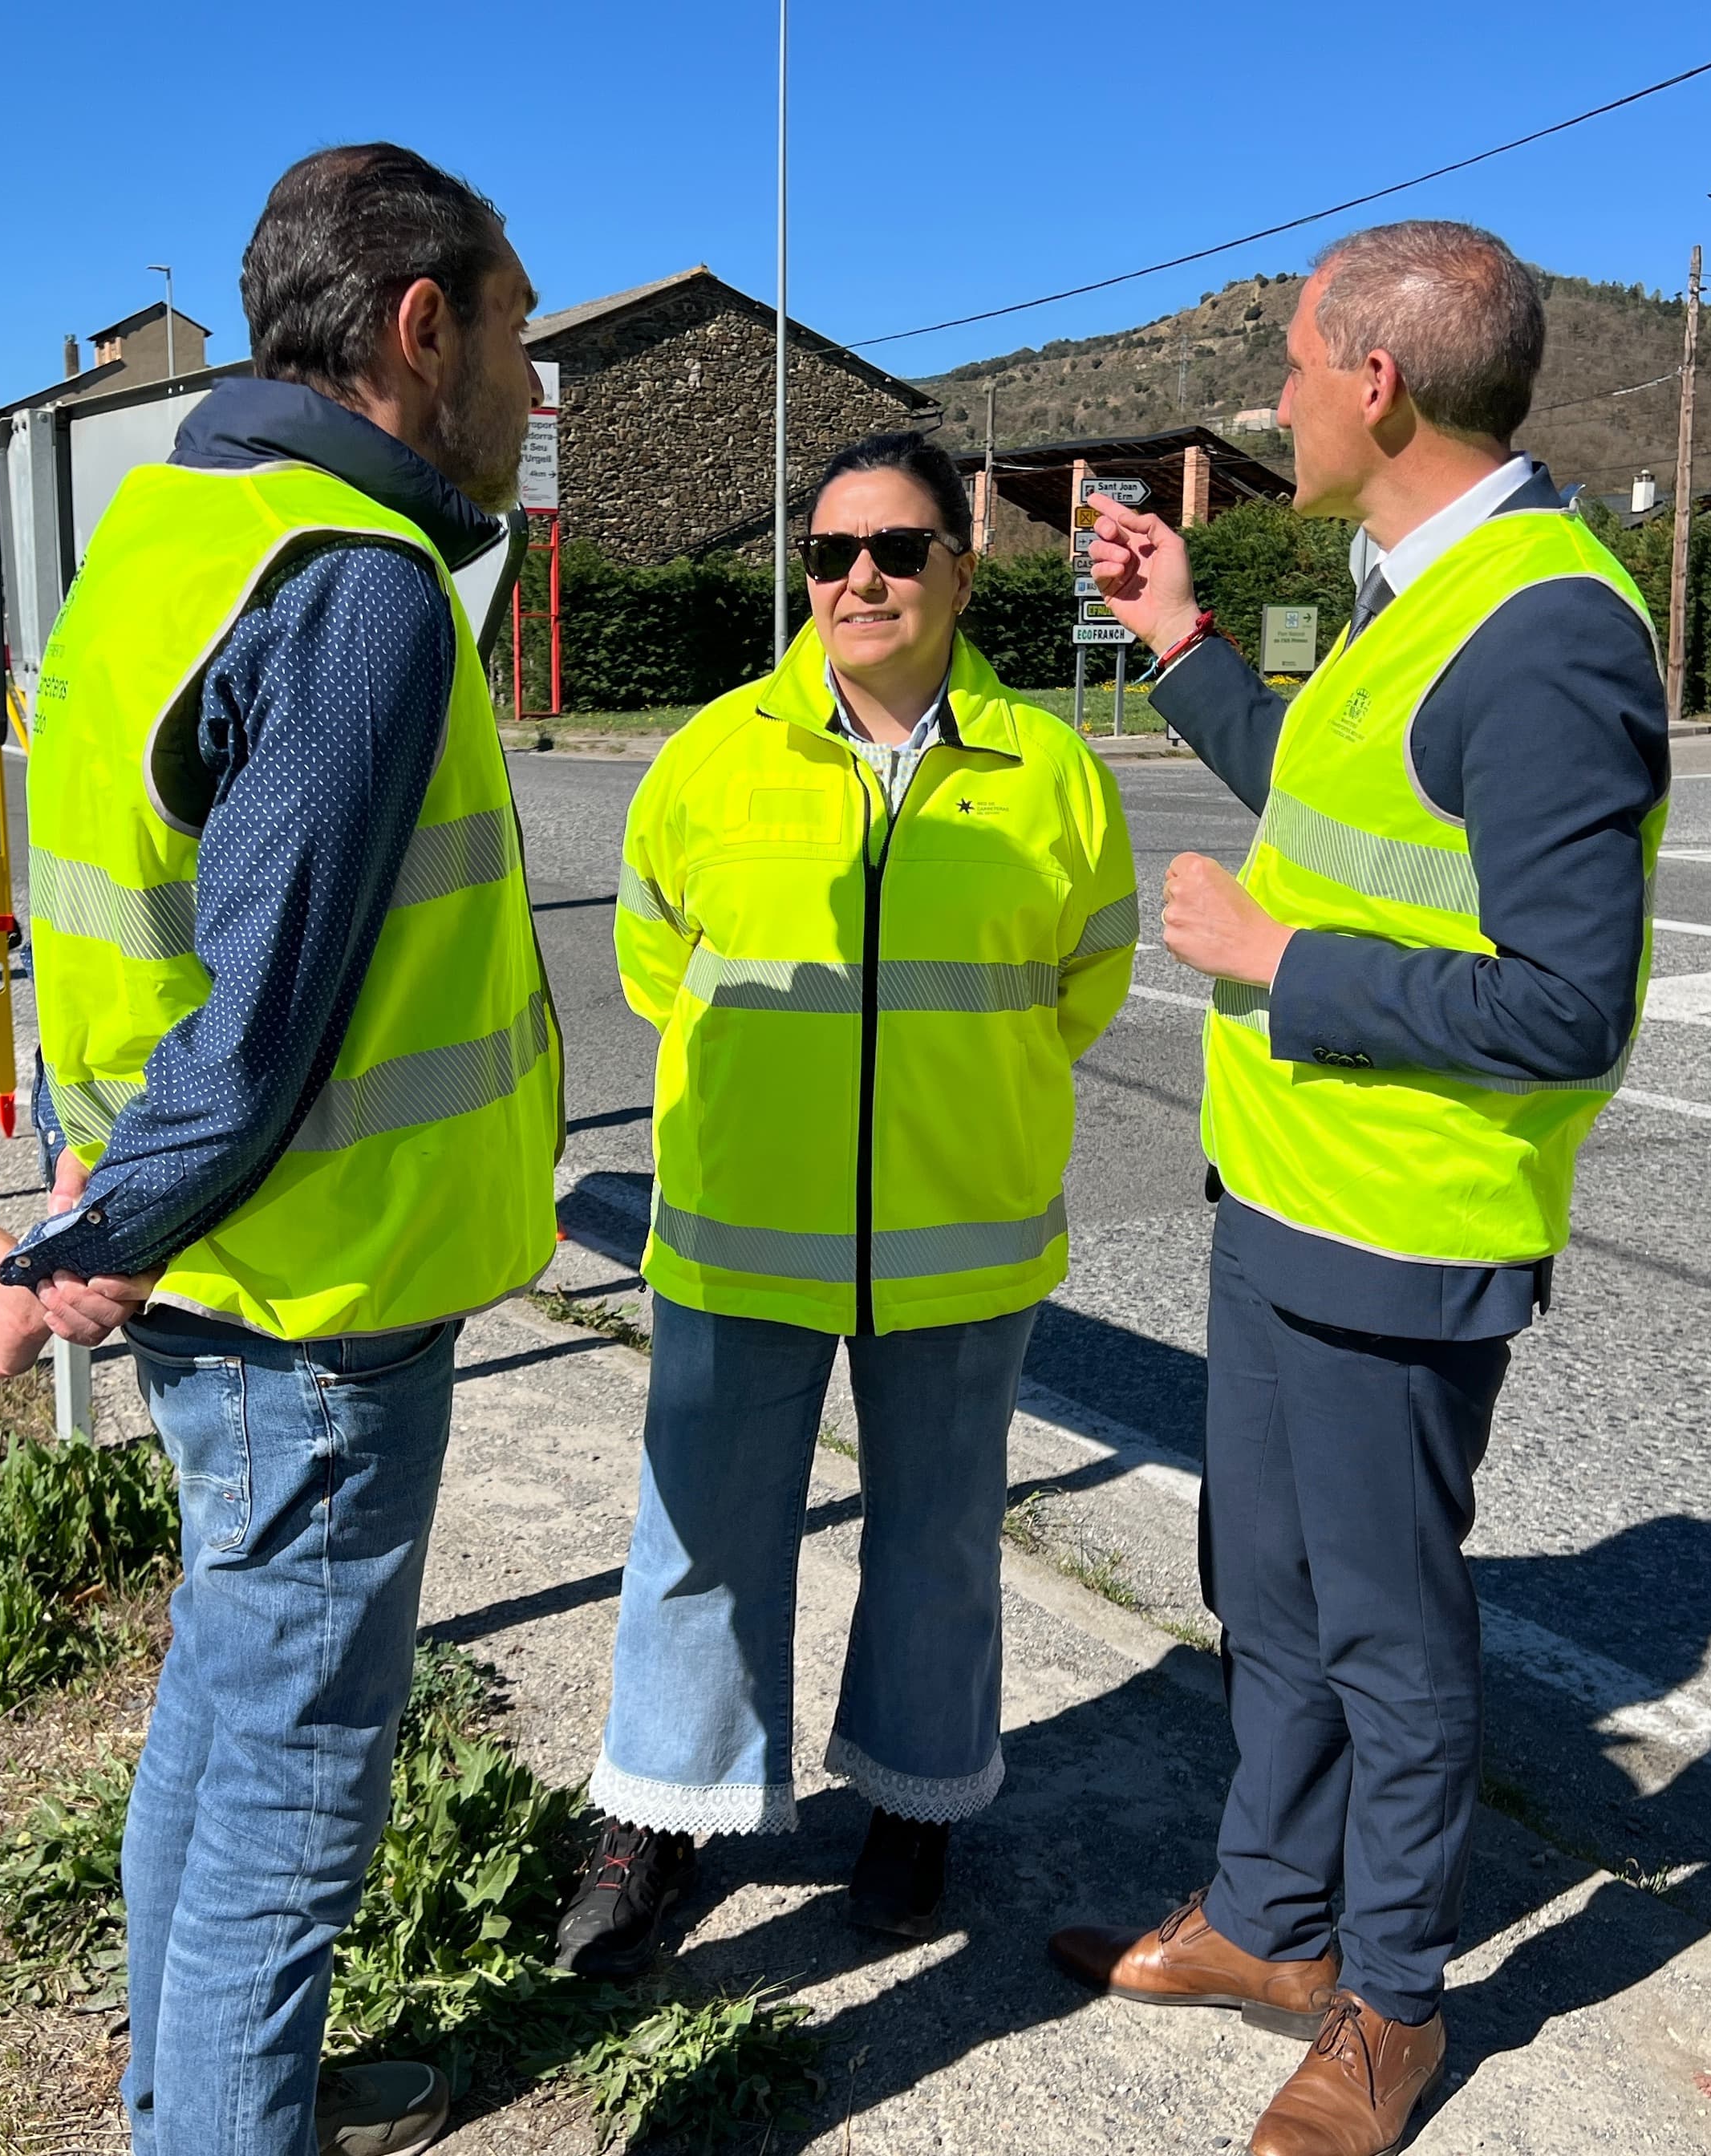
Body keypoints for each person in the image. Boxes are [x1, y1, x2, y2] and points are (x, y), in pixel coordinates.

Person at [0, 143, 555, 2156]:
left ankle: (199, 2092)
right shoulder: (351, 588)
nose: (533, 394)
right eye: (520, 336)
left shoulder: (165, 532)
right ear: (421, 326)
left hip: (221, 1272)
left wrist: (80, 1224)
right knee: (292, 1785)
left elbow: (143, 946)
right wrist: (65, 1253)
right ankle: (226, 2123)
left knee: (216, 1721)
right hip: (319, 1298)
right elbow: (266, 1027)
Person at [1048, 221, 1669, 2156]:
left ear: (1377, 385)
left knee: (1392, 1638)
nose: (1278, 402)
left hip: (1405, 1230)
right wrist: (1178, 643)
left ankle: (1391, 2001)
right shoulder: (1411, 593)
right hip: (1288, 1196)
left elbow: (1569, 1005)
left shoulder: (1549, 624)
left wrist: (1271, 966)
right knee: (1273, 1592)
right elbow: (1329, 802)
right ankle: (1266, 1920)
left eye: (1295, 367)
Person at [552, 432, 1140, 1974]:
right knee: (699, 1537)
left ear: (961, 563)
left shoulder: (1053, 770)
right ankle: (663, 1816)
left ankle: (913, 1800)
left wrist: (951, 1108)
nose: (857, 577)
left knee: (938, 1541)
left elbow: (1084, 980)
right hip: (742, 1229)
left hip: (963, 1235)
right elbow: (652, 967)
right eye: (829, 553)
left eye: (893, 547)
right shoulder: (709, 754)